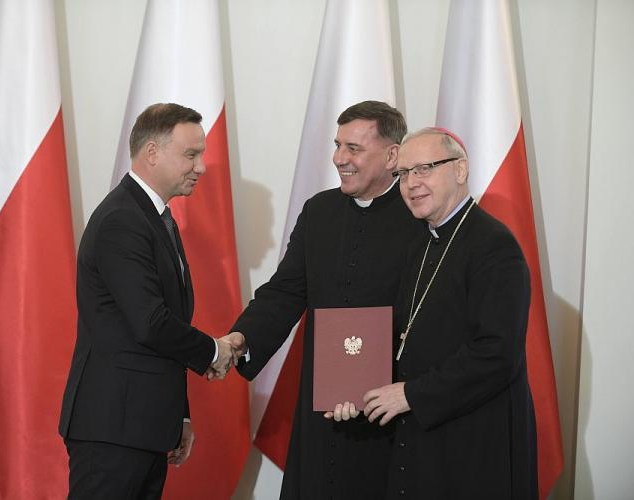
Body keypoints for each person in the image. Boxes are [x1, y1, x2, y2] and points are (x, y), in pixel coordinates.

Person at [226, 101, 424, 499]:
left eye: (353, 148)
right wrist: (242, 339)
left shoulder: (419, 218)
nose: (339, 158)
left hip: (391, 410)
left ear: (392, 156)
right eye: (337, 145)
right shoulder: (319, 211)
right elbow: (285, 290)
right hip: (323, 407)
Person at [333, 127, 538, 498]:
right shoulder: (421, 244)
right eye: (404, 174)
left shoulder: (494, 247)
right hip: (425, 437)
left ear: (460, 170)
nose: (411, 183)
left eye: (424, 169)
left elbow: (497, 353)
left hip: (474, 439)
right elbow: (402, 335)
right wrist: (353, 389)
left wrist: (410, 394)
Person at [58, 103, 236, 499]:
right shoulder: (123, 220)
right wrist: (213, 350)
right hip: (112, 430)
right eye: (191, 154)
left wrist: (181, 415)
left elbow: (157, 332)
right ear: (152, 153)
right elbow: (150, 323)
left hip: (141, 427)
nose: (201, 167)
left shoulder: (153, 218)